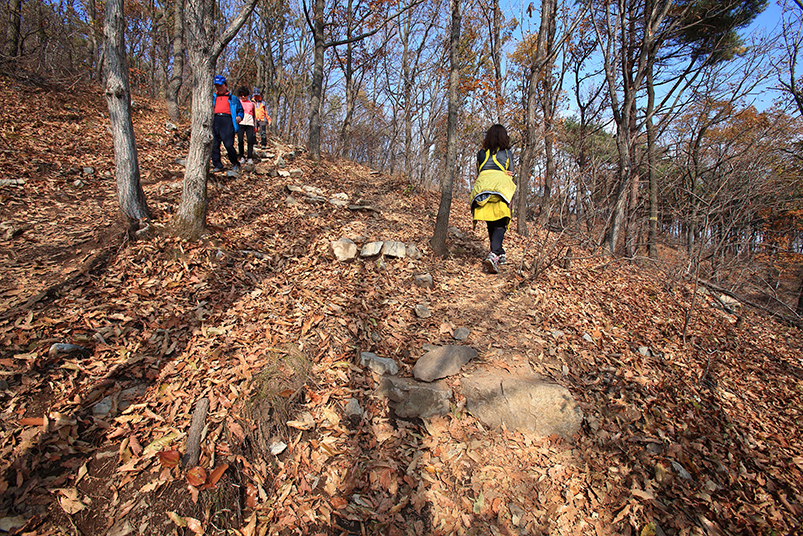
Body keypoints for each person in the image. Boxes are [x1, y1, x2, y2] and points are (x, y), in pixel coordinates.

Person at [469, 124, 516, 274]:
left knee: (492, 221)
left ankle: (500, 252)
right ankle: (494, 254)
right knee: (501, 222)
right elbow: (511, 172)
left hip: (482, 191)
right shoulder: (507, 153)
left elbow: (480, 170)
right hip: (499, 190)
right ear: (504, 137)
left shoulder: (480, 153)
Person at [211, 75, 244, 173]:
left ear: (225, 85)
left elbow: (240, 110)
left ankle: (235, 163)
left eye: (220, 85)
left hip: (227, 121)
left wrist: (239, 117)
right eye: (217, 86)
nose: (219, 88)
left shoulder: (233, 98)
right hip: (215, 120)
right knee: (214, 144)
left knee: (229, 144)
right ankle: (217, 165)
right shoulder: (212, 97)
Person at [236, 86, 256, 164]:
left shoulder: (252, 103)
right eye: (241, 95)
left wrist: (255, 126)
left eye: (244, 95)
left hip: (250, 124)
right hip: (240, 123)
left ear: (247, 95)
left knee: (250, 140)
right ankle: (241, 156)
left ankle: (250, 157)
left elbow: (254, 115)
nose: (243, 96)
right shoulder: (238, 102)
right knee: (240, 140)